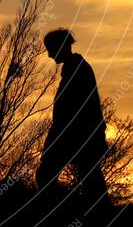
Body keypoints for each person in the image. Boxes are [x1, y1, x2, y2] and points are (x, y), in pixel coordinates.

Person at [36, 28, 110, 208]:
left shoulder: (77, 70)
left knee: (48, 173)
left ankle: (62, 211)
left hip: (77, 135)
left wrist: (58, 137)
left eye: (50, 49)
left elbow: (73, 110)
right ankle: (95, 213)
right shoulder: (75, 68)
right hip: (77, 134)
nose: (49, 55)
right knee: (90, 177)